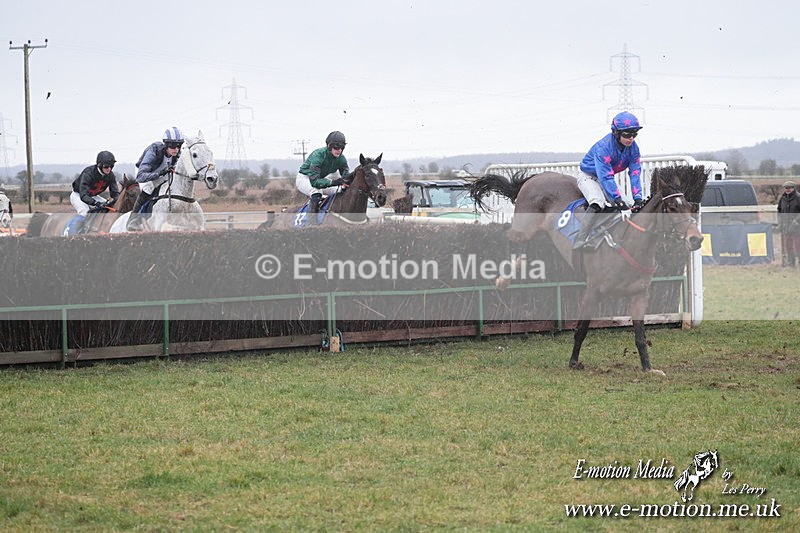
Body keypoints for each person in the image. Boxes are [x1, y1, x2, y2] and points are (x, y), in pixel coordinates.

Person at [573, 111, 645, 249]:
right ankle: (581, 239)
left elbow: (635, 173)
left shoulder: (634, 148)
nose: (631, 138)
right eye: (627, 135)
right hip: (588, 176)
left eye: (634, 134)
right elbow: (605, 176)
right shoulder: (604, 147)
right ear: (616, 133)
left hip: (605, 178)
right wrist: (618, 201)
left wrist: (638, 198)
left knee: (629, 205)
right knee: (597, 202)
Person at [127, 127, 184, 230]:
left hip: (163, 173)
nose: (176, 149)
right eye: (173, 146)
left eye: (179, 145)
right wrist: (160, 173)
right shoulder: (154, 150)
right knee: (148, 189)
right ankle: (133, 220)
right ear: (166, 145)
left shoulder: (178, 154)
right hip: (145, 173)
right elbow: (141, 176)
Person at [295, 131, 350, 223]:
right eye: (336, 147)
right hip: (305, 179)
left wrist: (347, 182)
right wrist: (334, 182)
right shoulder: (318, 155)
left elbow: (346, 177)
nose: (339, 150)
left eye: (342, 147)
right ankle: (312, 225)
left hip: (320, 180)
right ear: (329, 145)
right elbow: (315, 183)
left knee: (340, 190)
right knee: (316, 192)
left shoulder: (341, 159)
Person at [69, 151, 120, 233]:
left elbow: (115, 193)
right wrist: (96, 203)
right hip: (78, 195)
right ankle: (74, 234)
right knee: (84, 212)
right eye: (106, 166)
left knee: (108, 209)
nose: (109, 169)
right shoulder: (88, 173)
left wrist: (115, 200)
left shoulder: (111, 175)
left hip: (92, 196)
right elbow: (83, 195)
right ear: (99, 165)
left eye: (111, 166)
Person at [777, 180, 800, 268]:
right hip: (786, 227)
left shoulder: (798, 198)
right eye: (786, 188)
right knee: (788, 247)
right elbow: (779, 211)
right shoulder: (782, 198)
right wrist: (780, 222)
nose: (787, 190)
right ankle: (791, 265)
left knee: (798, 247)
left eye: (789, 188)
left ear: (793, 188)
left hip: (797, 228)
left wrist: (796, 221)